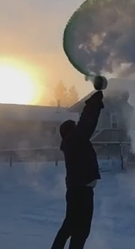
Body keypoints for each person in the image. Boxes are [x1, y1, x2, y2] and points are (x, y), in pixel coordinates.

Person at [50, 89, 105, 249]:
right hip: (81, 192)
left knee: (71, 227)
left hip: (77, 191)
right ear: (70, 131)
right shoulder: (74, 140)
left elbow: (85, 124)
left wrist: (93, 102)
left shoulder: (73, 142)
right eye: (74, 127)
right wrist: (93, 102)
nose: (77, 128)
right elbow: (87, 122)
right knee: (79, 230)